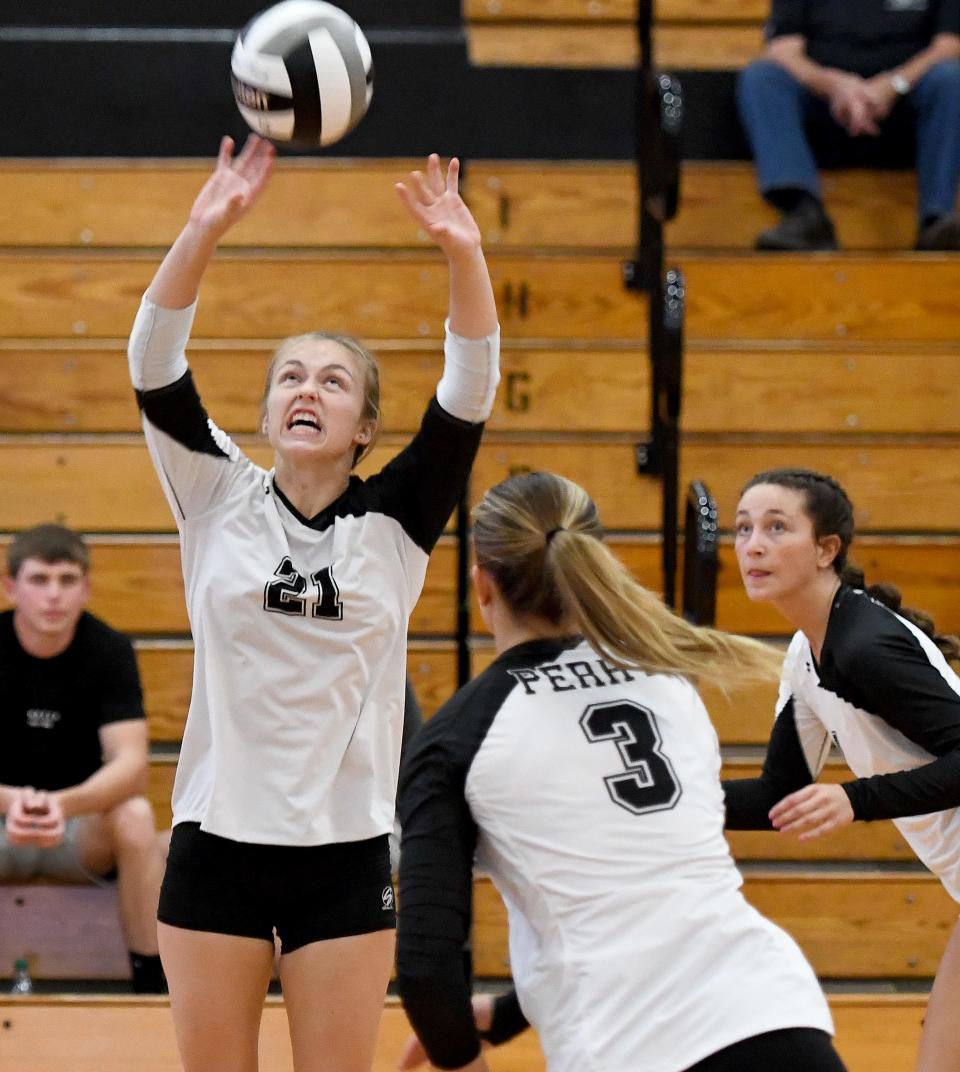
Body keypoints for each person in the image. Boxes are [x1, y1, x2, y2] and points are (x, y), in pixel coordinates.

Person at [127, 134, 499, 1072]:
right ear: (263, 415)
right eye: (291, 375)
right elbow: (153, 358)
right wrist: (204, 227)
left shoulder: (398, 521)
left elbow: (469, 389)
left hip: (346, 854)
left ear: (364, 427)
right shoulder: (213, 491)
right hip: (215, 846)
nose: (308, 389)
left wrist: (464, 252)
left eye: (334, 381)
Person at [395, 470, 848, 1072]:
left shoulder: (458, 737)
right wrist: (511, 1012)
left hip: (630, 1046)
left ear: (482, 585)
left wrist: (458, 1051)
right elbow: (641, 895)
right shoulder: (669, 683)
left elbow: (428, 970)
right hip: (775, 1016)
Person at [726, 467, 960, 1072]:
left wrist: (855, 800)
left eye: (778, 528)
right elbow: (778, 796)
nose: (753, 543)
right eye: (744, 528)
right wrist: (661, 799)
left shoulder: (865, 645)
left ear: (827, 549)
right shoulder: (808, 653)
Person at [0, 523, 166, 993]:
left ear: (87, 587)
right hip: (1, 820)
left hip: (77, 833)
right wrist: (14, 801)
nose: (54, 595)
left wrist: (62, 806)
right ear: (11, 586)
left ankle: (152, 987)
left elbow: (131, 767)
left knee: (135, 816)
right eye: (39, 580)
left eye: (67, 580)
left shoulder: (108, 651)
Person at [738, 0, 960, 251]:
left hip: (908, 110)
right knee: (762, 77)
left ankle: (937, 220)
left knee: (951, 78)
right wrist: (836, 87)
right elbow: (782, 50)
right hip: (824, 109)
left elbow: (949, 46)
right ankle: (803, 214)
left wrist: (892, 85)